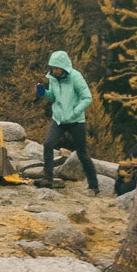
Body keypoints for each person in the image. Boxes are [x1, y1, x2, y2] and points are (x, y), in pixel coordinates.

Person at [35, 49, 98, 193]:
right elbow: (53, 98)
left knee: (82, 153)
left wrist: (75, 112)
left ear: (63, 67)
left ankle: (94, 186)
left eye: (56, 68)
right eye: (52, 67)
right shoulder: (52, 78)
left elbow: (87, 97)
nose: (54, 70)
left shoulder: (75, 77)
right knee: (48, 144)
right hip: (58, 119)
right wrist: (43, 93)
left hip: (76, 121)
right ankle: (47, 179)